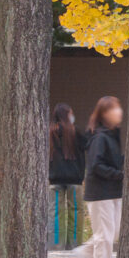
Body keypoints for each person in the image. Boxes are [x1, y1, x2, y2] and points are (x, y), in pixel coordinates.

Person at [75, 96, 123, 258]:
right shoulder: (100, 138)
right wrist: (119, 175)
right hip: (100, 193)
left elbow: (114, 161)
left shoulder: (112, 136)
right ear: (105, 114)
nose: (119, 111)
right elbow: (96, 165)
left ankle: (81, 254)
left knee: (112, 232)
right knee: (105, 238)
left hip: (114, 191)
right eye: (114, 108)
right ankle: (84, 254)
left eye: (118, 107)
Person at [49, 103, 88, 248]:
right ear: (67, 115)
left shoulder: (49, 132)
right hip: (74, 179)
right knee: (76, 212)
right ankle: (74, 246)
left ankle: (54, 247)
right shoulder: (75, 131)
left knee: (54, 213)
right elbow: (87, 145)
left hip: (54, 179)